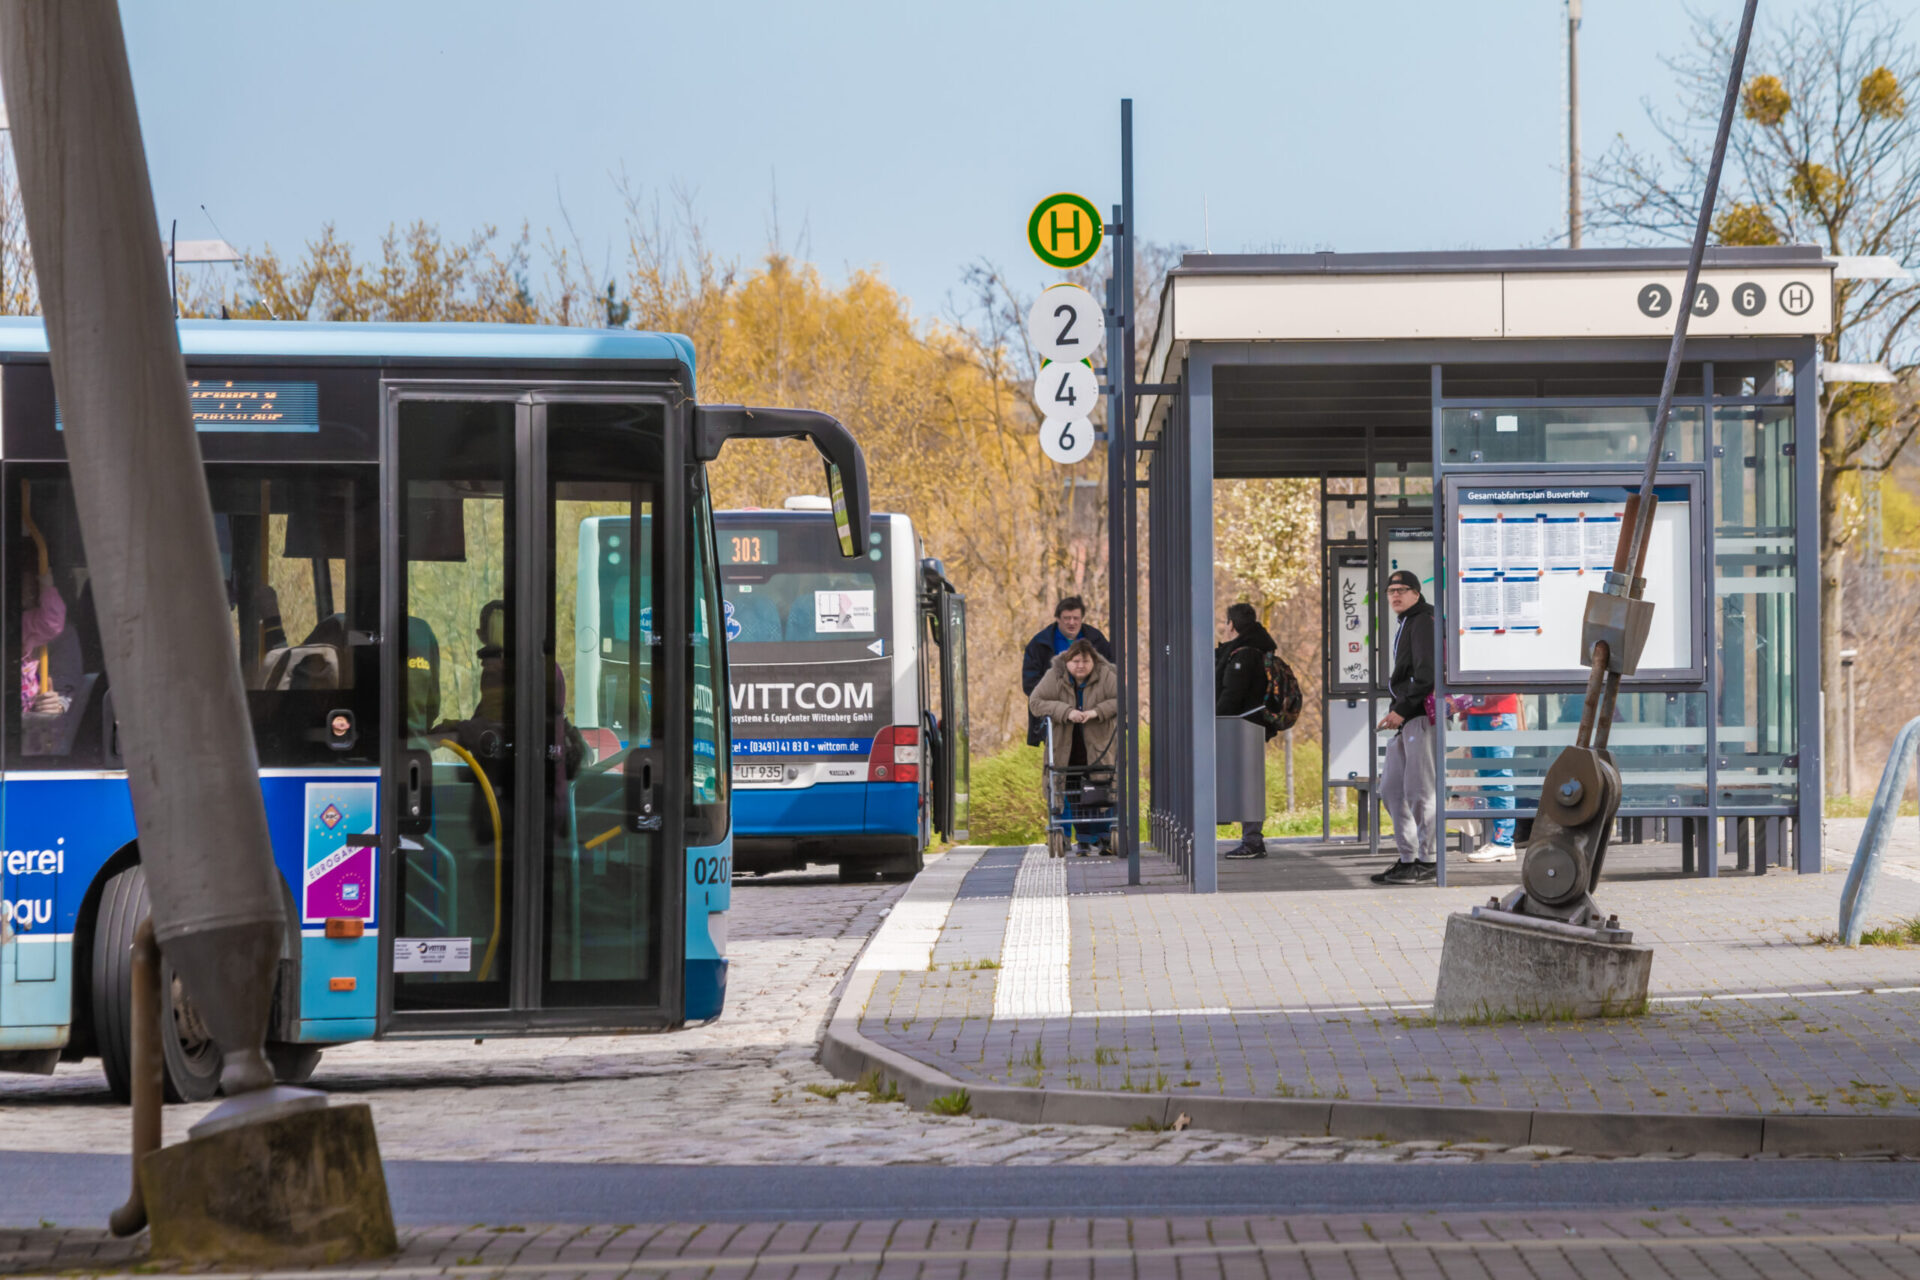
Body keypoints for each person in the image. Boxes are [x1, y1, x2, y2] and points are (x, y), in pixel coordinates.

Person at [1372, 570, 1438, 886]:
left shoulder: (1423, 620)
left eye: (1402, 589)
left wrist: (1401, 709)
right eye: (1391, 591)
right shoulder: (1408, 622)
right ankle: (1408, 857)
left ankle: (1429, 860)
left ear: (1416, 593)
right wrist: (1396, 710)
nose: (1396, 595)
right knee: (1391, 790)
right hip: (1406, 717)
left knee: (1420, 790)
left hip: (1419, 716)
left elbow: (1427, 675)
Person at [1029, 638, 1118, 856]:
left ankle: (1106, 835)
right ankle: (1084, 839)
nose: (1080, 665)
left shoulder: (1106, 675)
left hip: (1099, 746)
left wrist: (1096, 712)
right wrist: (1066, 711)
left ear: (1093, 662)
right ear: (1067, 661)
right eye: (1075, 661)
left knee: (1103, 789)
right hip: (1066, 746)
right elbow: (1036, 702)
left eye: (1085, 661)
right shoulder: (1055, 676)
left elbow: (1122, 699)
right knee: (1072, 790)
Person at [1215, 601, 1279, 859]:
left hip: (1243, 728)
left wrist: (1214, 719)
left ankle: (1253, 841)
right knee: (1247, 781)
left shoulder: (1244, 654)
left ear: (1231, 625)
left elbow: (1232, 694)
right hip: (1251, 726)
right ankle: (1252, 839)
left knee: (1247, 783)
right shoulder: (1259, 648)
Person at [1022, 596, 1114, 747]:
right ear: (1058, 618)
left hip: (1093, 718)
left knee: (1098, 764)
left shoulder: (1096, 639)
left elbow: (1112, 671)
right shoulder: (1039, 644)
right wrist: (1061, 708)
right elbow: (1031, 684)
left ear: (1082, 618)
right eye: (1067, 618)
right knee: (1061, 764)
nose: (1072, 622)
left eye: (1076, 618)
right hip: (1059, 721)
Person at [1450, 692, 1520, 862]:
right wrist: (1466, 715)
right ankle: (1500, 840)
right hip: (1477, 711)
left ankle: (1503, 842)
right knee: (1487, 777)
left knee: (1499, 776)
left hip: (1498, 711)